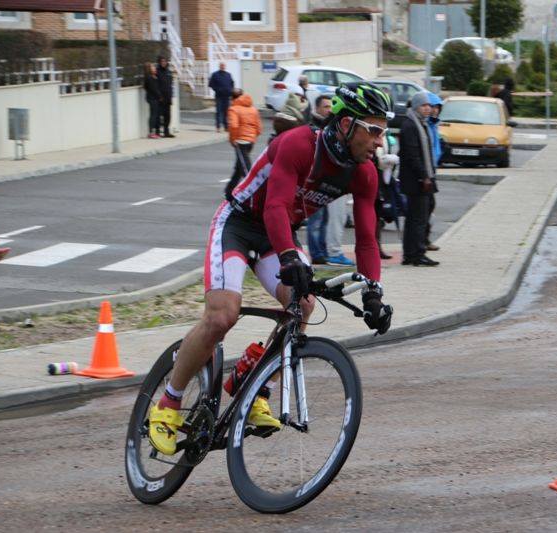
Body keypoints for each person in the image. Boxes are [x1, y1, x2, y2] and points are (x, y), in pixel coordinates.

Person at [147, 82, 395, 455]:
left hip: (274, 235)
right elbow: (274, 206)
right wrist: (290, 258)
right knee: (222, 316)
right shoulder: (299, 144)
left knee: (304, 304)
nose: (380, 141)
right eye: (374, 130)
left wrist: (373, 289)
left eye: (384, 132)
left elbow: (365, 240)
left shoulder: (364, 173)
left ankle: (253, 376)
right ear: (345, 124)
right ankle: (168, 404)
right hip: (239, 223)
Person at [400, 92, 439, 267]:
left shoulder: (420, 124)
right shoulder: (410, 125)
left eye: (429, 106)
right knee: (418, 218)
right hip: (417, 181)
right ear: (416, 107)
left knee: (416, 217)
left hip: (421, 178)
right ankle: (416, 254)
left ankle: (410, 254)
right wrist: (424, 176)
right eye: (424, 105)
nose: (428, 108)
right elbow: (412, 155)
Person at [306, 94, 334, 265]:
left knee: (324, 218)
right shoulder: (312, 127)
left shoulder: (329, 126)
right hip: (313, 181)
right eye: (325, 106)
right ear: (317, 108)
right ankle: (317, 254)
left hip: (326, 180)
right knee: (315, 219)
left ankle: (322, 251)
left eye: (331, 106)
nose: (329, 110)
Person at [226, 90, 262, 199]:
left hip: (240, 141)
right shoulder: (253, 109)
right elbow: (259, 127)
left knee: (245, 169)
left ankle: (252, 192)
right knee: (239, 167)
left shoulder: (233, 109)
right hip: (250, 140)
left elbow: (233, 126)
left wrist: (233, 140)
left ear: (233, 98)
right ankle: (229, 190)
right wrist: (253, 136)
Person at [375, 130, 400, 260]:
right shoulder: (373, 134)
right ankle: (375, 248)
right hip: (374, 178)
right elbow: (375, 158)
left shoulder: (387, 137)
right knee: (374, 216)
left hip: (384, 178)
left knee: (378, 216)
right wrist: (384, 160)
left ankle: (377, 247)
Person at [424, 92, 443, 252]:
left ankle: (426, 238)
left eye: (437, 107)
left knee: (430, 206)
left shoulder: (434, 125)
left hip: (433, 169)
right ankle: (424, 239)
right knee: (427, 206)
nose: (435, 110)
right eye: (432, 106)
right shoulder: (426, 125)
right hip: (427, 171)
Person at [209, 62, 235, 133]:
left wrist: (230, 91)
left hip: (227, 96)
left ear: (225, 67)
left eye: (224, 66)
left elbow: (232, 84)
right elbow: (211, 84)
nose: (223, 67)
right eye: (221, 65)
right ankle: (218, 127)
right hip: (219, 96)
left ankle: (226, 127)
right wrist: (217, 90)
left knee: (226, 112)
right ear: (219, 66)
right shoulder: (215, 74)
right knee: (218, 112)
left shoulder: (228, 75)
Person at [156, 56, 174, 138]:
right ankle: (158, 132)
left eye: (165, 61)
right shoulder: (157, 72)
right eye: (162, 61)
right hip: (161, 98)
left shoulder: (169, 72)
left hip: (168, 97)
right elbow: (156, 85)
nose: (163, 63)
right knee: (159, 115)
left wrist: (171, 96)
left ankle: (167, 132)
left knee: (168, 116)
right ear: (159, 62)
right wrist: (159, 96)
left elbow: (170, 85)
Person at [143, 63, 161, 139]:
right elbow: (153, 89)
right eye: (153, 67)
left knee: (155, 115)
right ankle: (151, 132)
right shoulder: (150, 78)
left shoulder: (154, 77)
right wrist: (159, 96)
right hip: (152, 98)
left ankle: (155, 131)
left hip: (153, 98)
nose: (154, 68)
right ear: (149, 69)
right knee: (153, 115)